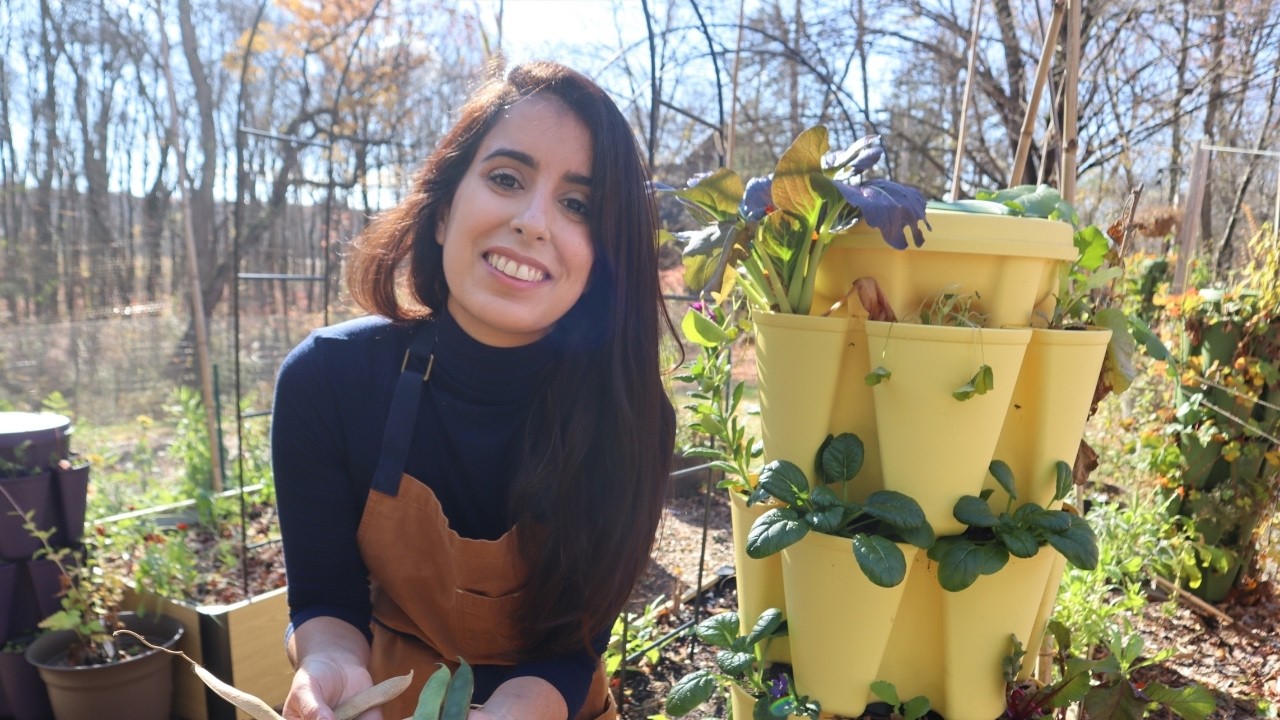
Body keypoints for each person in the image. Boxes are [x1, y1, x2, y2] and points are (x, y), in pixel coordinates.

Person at [271, 61, 676, 720]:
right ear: (442, 212)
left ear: (603, 260)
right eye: (506, 178)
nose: (533, 221)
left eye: (577, 204)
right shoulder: (326, 380)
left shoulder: (631, 419)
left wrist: (520, 706)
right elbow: (325, 599)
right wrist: (331, 664)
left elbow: (576, 641)